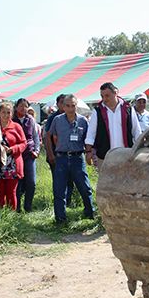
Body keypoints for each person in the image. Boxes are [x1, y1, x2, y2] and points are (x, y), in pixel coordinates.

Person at [48, 94, 94, 224]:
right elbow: (51, 136)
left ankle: (90, 214)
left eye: (73, 105)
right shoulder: (57, 120)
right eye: (67, 105)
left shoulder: (83, 121)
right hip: (61, 157)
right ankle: (60, 219)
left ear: (76, 106)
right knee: (59, 189)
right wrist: (51, 153)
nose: (70, 108)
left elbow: (88, 139)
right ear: (63, 106)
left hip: (77, 158)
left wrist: (89, 153)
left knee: (85, 187)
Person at [85, 82, 142, 169]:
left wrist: (139, 150)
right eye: (102, 96)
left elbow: (136, 131)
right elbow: (91, 133)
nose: (104, 99)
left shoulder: (128, 109)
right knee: (105, 182)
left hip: (125, 155)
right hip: (104, 156)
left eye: (107, 95)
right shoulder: (97, 111)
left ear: (115, 92)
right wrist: (88, 151)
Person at [0, 102, 26, 210]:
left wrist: (12, 149)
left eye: (8, 112)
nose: (6, 115)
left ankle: (11, 217)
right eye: (3, 112)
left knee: (11, 192)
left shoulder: (16, 127)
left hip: (12, 165)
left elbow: (24, 143)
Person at [13, 98, 40, 212]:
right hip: (16, 154)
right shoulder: (12, 120)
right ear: (16, 107)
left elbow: (35, 136)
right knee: (18, 182)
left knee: (31, 182)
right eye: (21, 106)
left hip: (29, 154)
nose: (23, 108)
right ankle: (17, 207)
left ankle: (28, 206)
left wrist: (37, 150)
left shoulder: (30, 120)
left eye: (25, 106)